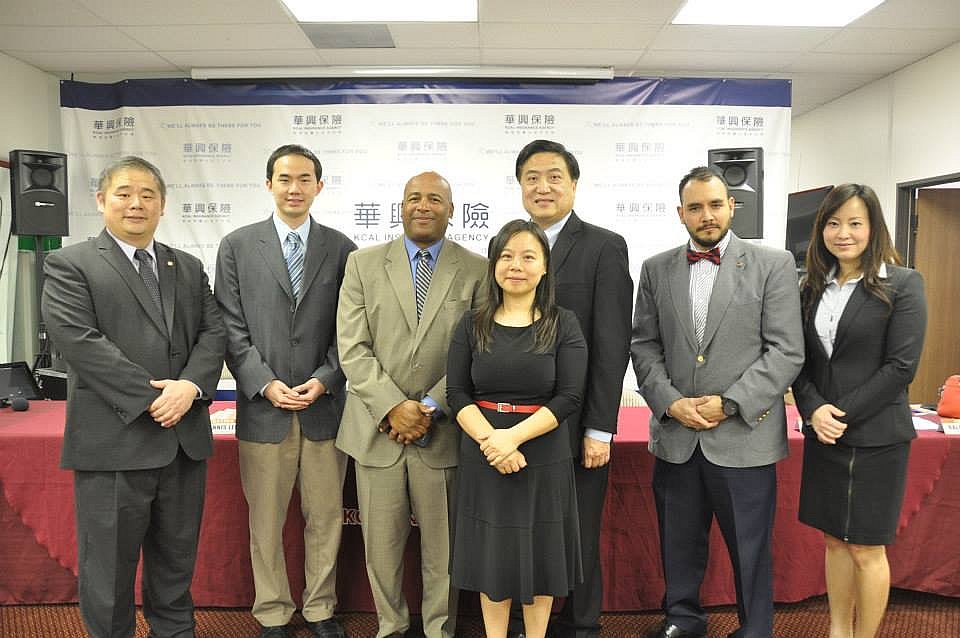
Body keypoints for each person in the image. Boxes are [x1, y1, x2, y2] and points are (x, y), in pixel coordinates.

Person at [41, 156, 226, 638]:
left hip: (183, 441)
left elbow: (214, 333)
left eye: (148, 194)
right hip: (114, 442)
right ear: (102, 200)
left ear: (163, 204)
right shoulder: (70, 264)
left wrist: (189, 387)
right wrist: (152, 398)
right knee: (108, 572)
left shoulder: (187, 266)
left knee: (176, 566)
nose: (136, 203)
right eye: (124, 193)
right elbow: (79, 341)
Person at [630, 166, 804, 638]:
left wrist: (728, 403)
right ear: (680, 213)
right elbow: (644, 345)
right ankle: (682, 619)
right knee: (678, 542)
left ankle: (755, 629)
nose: (706, 215)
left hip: (743, 435)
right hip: (677, 435)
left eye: (714, 204)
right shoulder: (656, 268)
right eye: (695, 207)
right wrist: (670, 403)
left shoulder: (773, 265)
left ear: (731, 206)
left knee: (750, 547)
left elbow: (786, 350)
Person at [335, 171, 487, 638]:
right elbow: (352, 348)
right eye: (414, 198)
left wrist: (428, 406)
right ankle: (391, 627)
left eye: (435, 199)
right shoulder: (362, 264)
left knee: (443, 551)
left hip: (442, 430)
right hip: (376, 430)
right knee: (380, 549)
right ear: (401, 207)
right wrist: (392, 407)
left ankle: (439, 629)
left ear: (452, 211)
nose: (424, 206)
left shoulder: (478, 269)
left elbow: (480, 349)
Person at [215, 144, 356, 638]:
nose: (294, 188)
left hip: (324, 409)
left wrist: (326, 378)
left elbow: (350, 329)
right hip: (263, 411)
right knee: (266, 522)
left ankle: (320, 608)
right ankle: (272, 610)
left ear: (319, 186)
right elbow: (229, 327)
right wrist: (264, 383)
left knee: (326, 519)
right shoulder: (236, 246)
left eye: (304, 179)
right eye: (284, 179)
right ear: (268, 184)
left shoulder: (342, 248)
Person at [792, 184, 927, 638]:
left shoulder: (903, 284)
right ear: (821, 230)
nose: (843, 233)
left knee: (867, 549)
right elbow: (800, 362)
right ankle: (838, 630)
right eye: (833, 223)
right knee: (833, 540)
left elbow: (901, 367)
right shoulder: (810, 287)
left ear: (874, 228)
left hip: (877, 438)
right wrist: (814, 410)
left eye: (855, 223)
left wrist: (836, 415)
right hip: (824, 435)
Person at [512, 139, 633, 638]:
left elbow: (612, 344)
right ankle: (523, 623)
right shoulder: (508, 246)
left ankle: (581, 624)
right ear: (520, 186)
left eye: (554, 177)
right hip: (515, 422)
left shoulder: (604, 246)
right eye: (532, 178)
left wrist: (600, 428)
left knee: (577, 530)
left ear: (574, 184)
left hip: (578, 419)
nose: (542, 187)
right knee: (522, 528)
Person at [447, 219, 587, 638]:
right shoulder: (471, 323)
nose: (516, 266)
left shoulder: (563, 323)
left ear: (544, 267)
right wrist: (492, 441)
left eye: (528, 257)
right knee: (492, 559)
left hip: (542, 455)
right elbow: (457, 393)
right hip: (484, 455)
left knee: (541, 557)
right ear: (493, 265)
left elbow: (569, 397)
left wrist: (511, 438)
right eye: (506, 256)